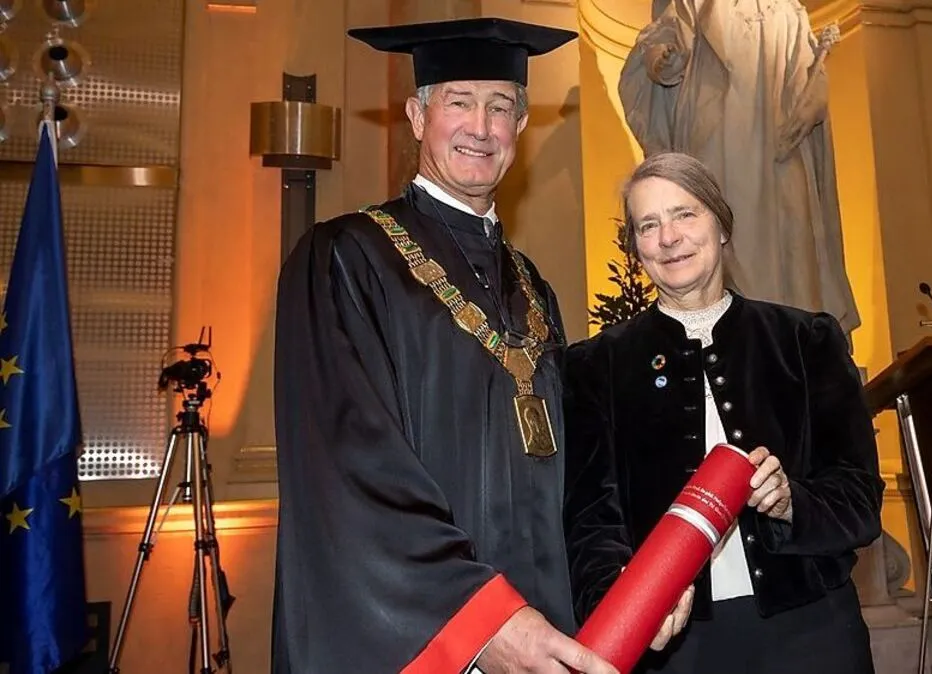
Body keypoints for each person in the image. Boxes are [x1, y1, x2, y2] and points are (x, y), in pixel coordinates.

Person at [271, 17, 619, 674]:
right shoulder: (347, 260)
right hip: (428, 637)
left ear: (521, 126)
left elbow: (576, 475)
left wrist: (615, 581)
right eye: (459, 102)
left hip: (546, 636)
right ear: (417, 116)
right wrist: (481, 622)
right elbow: (351, 466)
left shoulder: (533, 288)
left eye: (501, 107)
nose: (481, 128)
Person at [563, 152, 884, 673]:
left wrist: (791, 503)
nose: (669, 238)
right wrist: (617, 601)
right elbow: (591, 521)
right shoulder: (594, 366)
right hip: (677, 647)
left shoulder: (806, 341)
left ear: (722, 224)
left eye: (685, 214)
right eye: (648, 225)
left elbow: (860, 496)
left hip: (812, 631)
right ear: (636, 248)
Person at [617, 0, 862, 340]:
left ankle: (795, 341)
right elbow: (662, 40)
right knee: (721, 229)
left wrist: (815, 97)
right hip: (716, 134)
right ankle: (728, 341)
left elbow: (808, 65)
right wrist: (662, 59)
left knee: (792, 237)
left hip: (780, 141)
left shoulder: (785, 6)